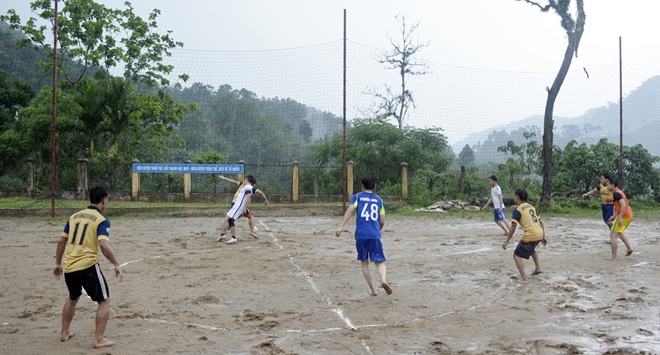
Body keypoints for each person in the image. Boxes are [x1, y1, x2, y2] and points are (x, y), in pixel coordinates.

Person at [53, 186, 123, 349]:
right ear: (104, 200)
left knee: (73, 296)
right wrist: (116, 264)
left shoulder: (74, 217)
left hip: (70, 266)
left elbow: (61, 241)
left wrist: (58, 263)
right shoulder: (101, 219)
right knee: (104, 301)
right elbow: (103, 244)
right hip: (88, 266)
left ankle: (64, 333)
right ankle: (98, 339)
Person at [335, 176, 393, 296]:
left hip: (361, 235)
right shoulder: (379, 200)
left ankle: (373, 290)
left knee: (364, 262)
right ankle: (383, 280)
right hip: (375, 235)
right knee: (379, 262)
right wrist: (378, 231)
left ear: (362, 186)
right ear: (374, 186)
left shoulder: (357, 197)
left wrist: (341, 226)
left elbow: (351, 210)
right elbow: (382, 221)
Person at [502, 189, 547, 284]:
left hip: (531, 235)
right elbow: (540, 222)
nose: (513, 197)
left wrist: (507, 241)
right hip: (539, 232)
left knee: (516, 255)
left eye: (514, 196)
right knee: (532, 249)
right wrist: (543, 236)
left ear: (517, 197)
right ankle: (538, 268)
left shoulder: (517, 210)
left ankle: (524, 278)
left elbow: (513, 227)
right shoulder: (531, 207)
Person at [217, 174, 268, 241]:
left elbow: (233, 181)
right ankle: (251, 231)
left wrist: (224, 178)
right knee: (250, 216)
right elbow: (260, 193)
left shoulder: (242, 185)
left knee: (229, 217)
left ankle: (223, 234)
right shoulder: (250, 188)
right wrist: (265, 200)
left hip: (234, 203)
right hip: (239, 204)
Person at [220, 175, 255, 244]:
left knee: (231, 220)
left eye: (245, 179)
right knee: (228, 218)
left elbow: (248, 197)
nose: (244, 180)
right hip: (236, 206)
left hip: (239, 206)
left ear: (247, 180)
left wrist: (245, 207)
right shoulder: (246, 187)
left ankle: (233, 237)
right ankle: (225, 235)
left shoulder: (248, 187)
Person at [606, 180, 634, 260]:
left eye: (608, 185)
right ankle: (629, 248)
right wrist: (615, 217)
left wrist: (620, 218)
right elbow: (620, 205)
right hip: (629, 215)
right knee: (619, 232)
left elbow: (624, 205)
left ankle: (613, 256)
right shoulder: (618, 192)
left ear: (612, 185)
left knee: (613, 235)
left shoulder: (616, 193)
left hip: (624, 215)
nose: (606, 187)